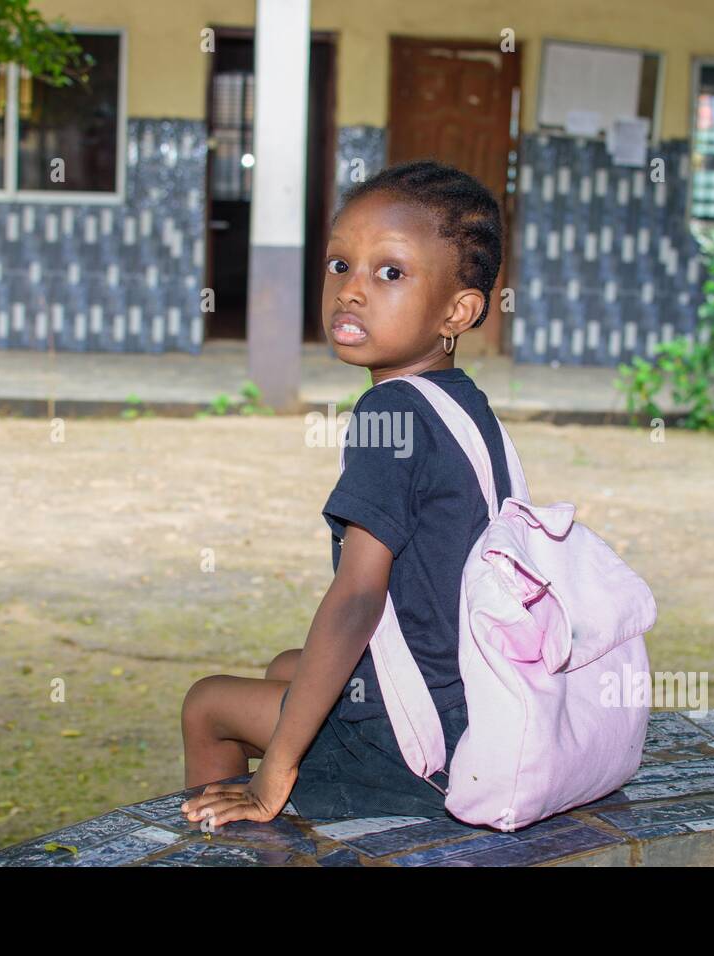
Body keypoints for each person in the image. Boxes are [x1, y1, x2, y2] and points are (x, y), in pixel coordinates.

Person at [180, 159, 512, 825]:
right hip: (471, 699)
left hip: (422, 743)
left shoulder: (388, 416)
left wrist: (273, 772)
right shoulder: (459, 402)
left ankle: (236, 832)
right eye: (340, 266)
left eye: (390, 273)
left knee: (207, 704)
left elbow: (358, 598)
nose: (352, 291)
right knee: (284, 665)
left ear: (458, 309)